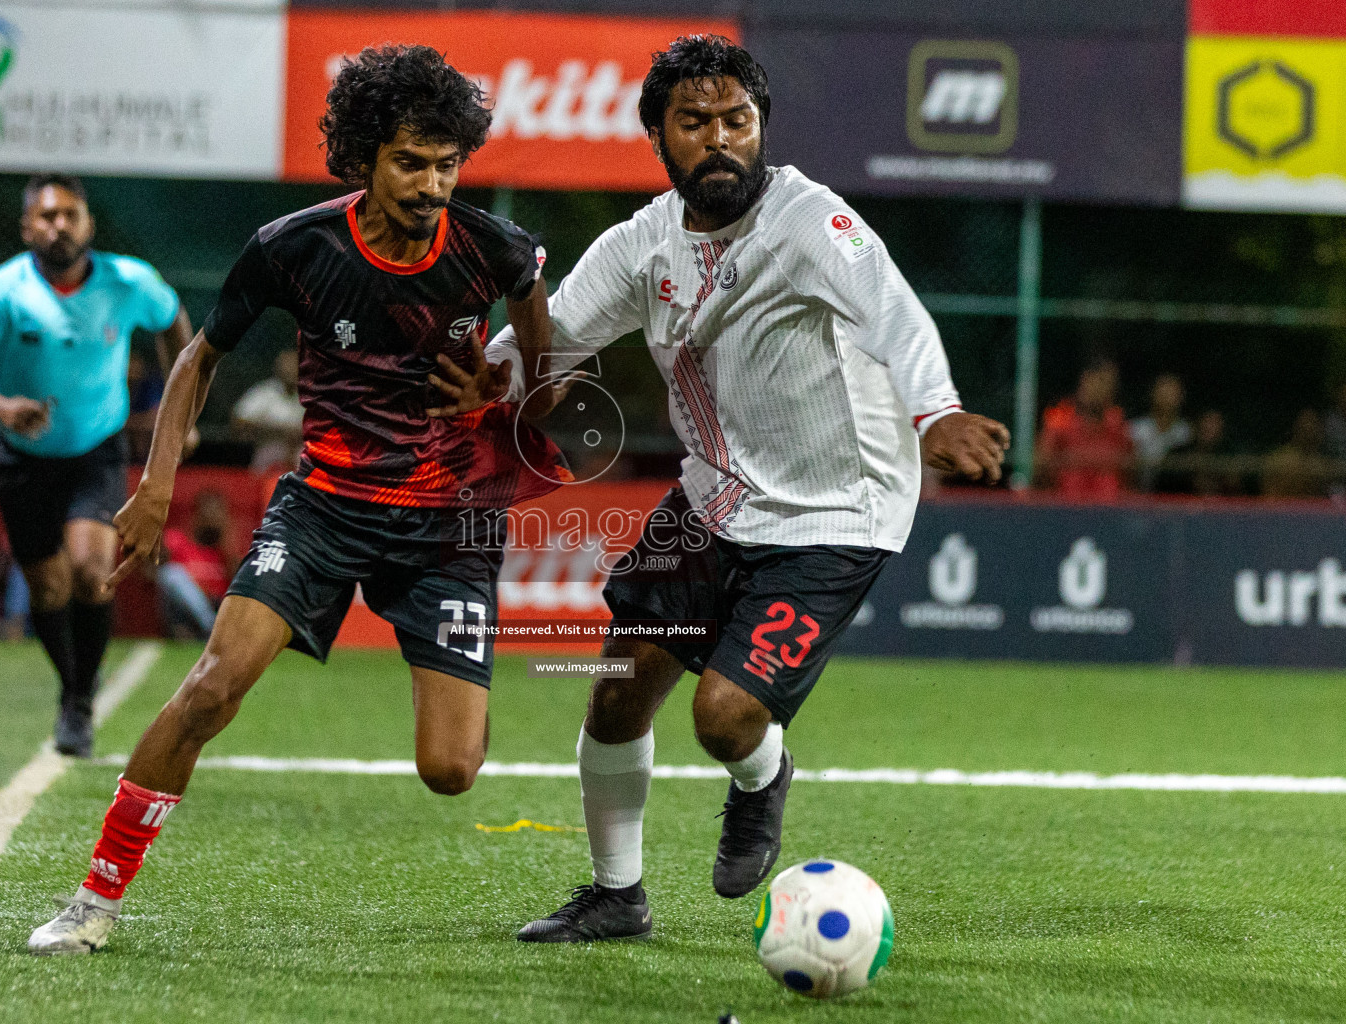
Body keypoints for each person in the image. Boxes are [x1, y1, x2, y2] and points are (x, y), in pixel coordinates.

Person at [27, 44, 569, 955]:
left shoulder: (500, 255)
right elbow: (199, 360)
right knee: (211, 689)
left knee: (451, 770)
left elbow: (550, 392)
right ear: (361, 157)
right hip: (323, 507)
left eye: (447, 164)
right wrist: (156, 484)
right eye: (410, 162)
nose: (433, 184)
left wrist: (503, 396)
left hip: (448, 525)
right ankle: (94, 900)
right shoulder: (294, 248)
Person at [482, 36, 1009, 943]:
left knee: (723, 719)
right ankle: (616, 896)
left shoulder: (810, 220)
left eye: (738, 120)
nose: (720, 138)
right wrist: (488, 380)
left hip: (837, 509)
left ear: (760, 126)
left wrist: (937, 413)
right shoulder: (640, 245)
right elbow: (548, 339)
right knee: (615, 690)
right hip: (715, 499)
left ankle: (763, 777)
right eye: (695, 123)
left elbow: (895, 312)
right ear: (659, 135)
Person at [0, 174, 195, 756]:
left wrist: (173, 412)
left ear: (89, 224)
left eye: (71, 214)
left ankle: (79, 702)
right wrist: (2, 406)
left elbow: (176, 326)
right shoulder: (3, 290)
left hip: (97, 451)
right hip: (23, 457)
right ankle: (73, 684)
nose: (60, 225)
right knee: (48, 588)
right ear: (28, 226)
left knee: (89, 569)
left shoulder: (128, 280)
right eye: (47, 216)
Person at [1034, 358, 1135, 499]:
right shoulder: (1060, 419)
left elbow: (1130, 472)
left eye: (1106, 384)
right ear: (1083, 382)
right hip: (1065, 509)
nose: (1098, 389)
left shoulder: (1118, 424)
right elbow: (1040, 468)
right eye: (1095, 381)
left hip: (1110, 510)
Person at [155, 489, 233, 640]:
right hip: (186, 617)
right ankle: (212, 629)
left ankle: (216, 629)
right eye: (208, 512)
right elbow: (150, 570)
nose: (212, 518)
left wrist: (227, 546)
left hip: (219, 609)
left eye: (217, 513)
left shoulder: (226, 551)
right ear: (197, 515)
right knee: (171, 573)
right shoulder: (176, 540)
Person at [231, 350, 305, 473]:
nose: (290, 370)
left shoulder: (310, 395)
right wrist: (277, 430)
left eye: (294, 366)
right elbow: (239, 421)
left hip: (301, 450)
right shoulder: (265, 392)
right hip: (269, 448)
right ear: (278, 368)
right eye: (286, 366)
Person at [1128, 373, 1190, 491]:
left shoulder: (1185, 432)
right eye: (1163, 390)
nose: (1167, 396)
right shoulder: (1136, 429)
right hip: (1138, 492)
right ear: (1153, 393)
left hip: (1172, 493)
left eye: (1172, 391)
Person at [1261, 408, 1330, 498]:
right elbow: (1269, 497)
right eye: (1305, 427)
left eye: (1314, 425)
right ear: (1296, 428)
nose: (1309, 430)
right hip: (1282, 509)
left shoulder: (1323, 465)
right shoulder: (1280, 460)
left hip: (1313, 510)